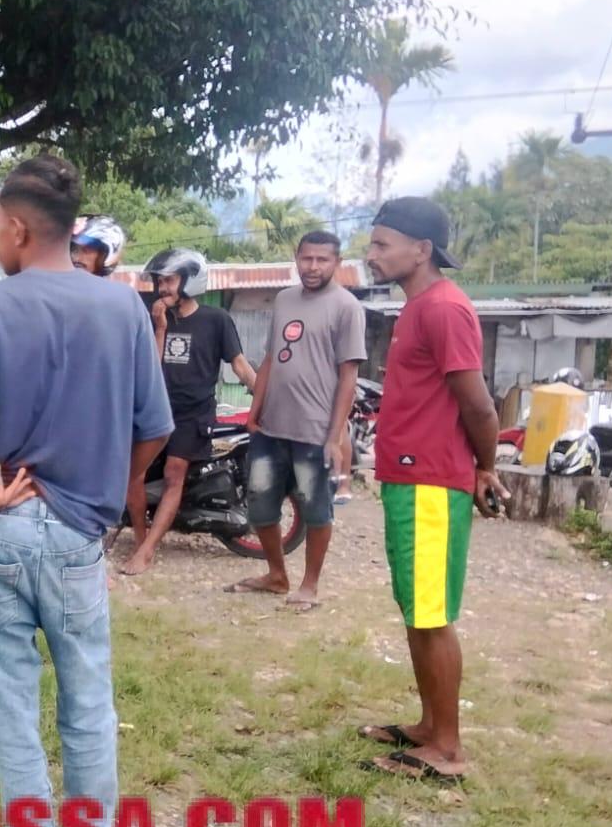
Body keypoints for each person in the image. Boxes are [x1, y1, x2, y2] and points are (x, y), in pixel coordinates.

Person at [0, 155, 172, 827]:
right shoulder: (124, 308)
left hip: (3, 526)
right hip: (77, 535)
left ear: (17, 228)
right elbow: (156, 426)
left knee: (13, 699)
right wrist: (116, 487)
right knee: (88, 688)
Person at [356, 197, 506, 785]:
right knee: (416, 608)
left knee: (431, 614)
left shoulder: (444, 308)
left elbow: (480, 406)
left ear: (421, 250)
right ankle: (428, 727)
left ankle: (447, 749)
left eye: (382, 244)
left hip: (431, 484)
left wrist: (486, 468)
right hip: (409, 478)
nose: (371, 254)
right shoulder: (417, 307)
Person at [231, 230, 366, 609]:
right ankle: (276, 575)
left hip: (314, 431)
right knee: (259, 505)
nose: (313, 266)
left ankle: (309, 585)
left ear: (337, 262)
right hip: (270, 427)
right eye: (307, 258)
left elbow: (349, 377)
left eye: (322, 259)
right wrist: (254, 411)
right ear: (297, 258)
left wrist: (334, 437)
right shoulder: (285, 299)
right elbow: (271, 358)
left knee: (315, 509)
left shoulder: (346, 307)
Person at [120, 248, 258, 574]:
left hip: (193, 414)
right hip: (155, 410)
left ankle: (147, 551)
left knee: (174, 473)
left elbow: (239, 365)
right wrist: (159, 329)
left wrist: (264, 398)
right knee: (132, 475)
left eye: (169, 281)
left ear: (190, 281)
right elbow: (150, 370)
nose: (162, 288)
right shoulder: (152, 317)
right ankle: (140, 538)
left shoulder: (216, 320)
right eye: (159, 282)